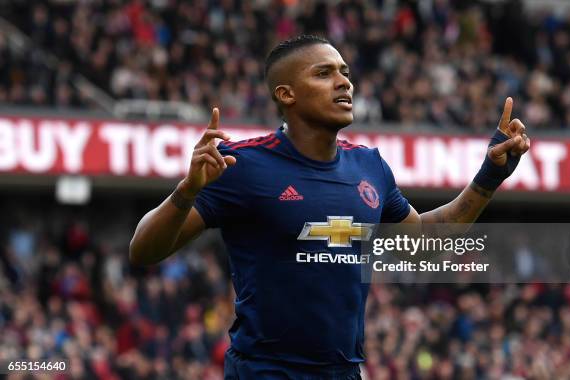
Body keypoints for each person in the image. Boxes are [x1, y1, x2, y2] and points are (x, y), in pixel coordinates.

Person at [129, 35, 530, 379]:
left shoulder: (370, 166)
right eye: (324, 74)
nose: (344, 83)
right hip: (265, 371)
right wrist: (186, 190)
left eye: (345, 73)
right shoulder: (242, 164)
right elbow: (143, 251)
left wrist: (489, 176)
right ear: (286, 94)